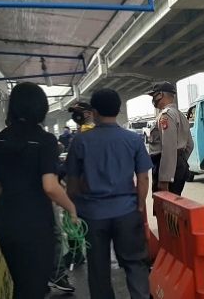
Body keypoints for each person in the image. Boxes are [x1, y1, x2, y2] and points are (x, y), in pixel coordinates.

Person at [0, 82, 78, 299]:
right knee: (34, 288)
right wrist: (72, 208)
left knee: (22, 285)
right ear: (41, 107)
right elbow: (50, 186)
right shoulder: (45, 140)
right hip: (36, 225)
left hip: (6, 223)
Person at [66, 89, 152, 299]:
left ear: (94, 112)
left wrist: (77, 208)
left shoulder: (80, 141)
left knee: (98, 269)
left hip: (93, 215)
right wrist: (139, 206)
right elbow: (143, 179)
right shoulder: (133, 139)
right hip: (127, 212)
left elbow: (72, 182)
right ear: (118, 109)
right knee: (135, 264)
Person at [49, 101, 95, 292]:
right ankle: (77, 254)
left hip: (84, 188)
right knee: (73, 221)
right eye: (73, 113)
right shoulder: (80, 133)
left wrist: (57, 174)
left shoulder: (87, 133)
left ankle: (81, 255)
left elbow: (74, 164)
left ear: (88, 113)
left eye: (78, 112)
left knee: (79, 222)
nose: (75, 115)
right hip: (78, 187)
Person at [147, 82, 194, 196]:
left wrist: (165, 179)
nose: (153, 99)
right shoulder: (180, 115)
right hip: (178, 164)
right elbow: (190, 145)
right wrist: (180, 161)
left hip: (166, 170)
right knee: (175, 207)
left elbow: (168, 149)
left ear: (161, 94)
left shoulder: (166, 115)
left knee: (164, 209)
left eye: (154, 95)